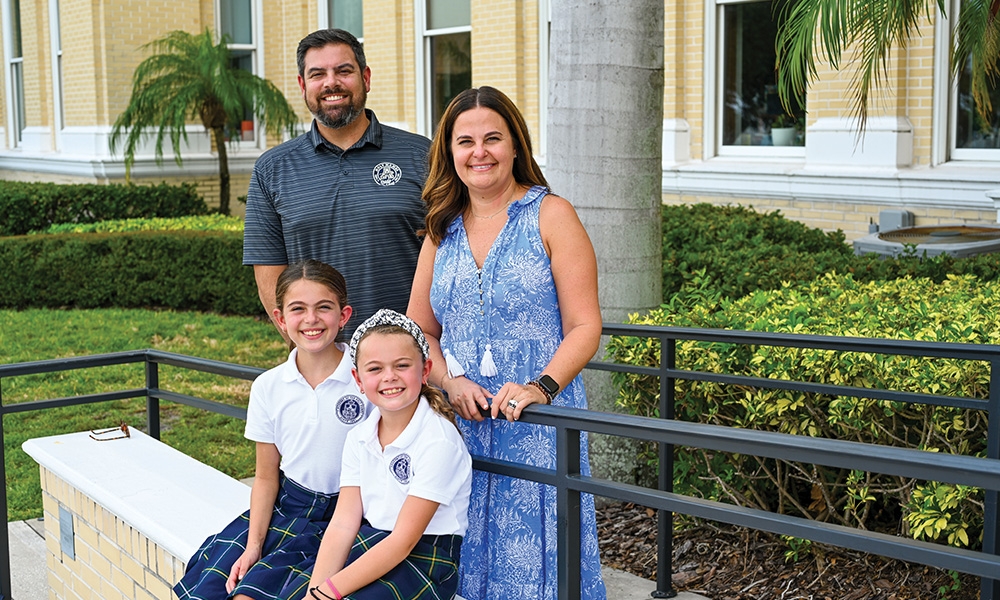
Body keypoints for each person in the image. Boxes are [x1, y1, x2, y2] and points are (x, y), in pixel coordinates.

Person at [406, 86, 607, 599]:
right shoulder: (440, 228)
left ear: (515, 145)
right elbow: (420, 328)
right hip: (462, 421)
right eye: (465, 141)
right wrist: (448, 381)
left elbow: (585, 326)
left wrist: (542, 386)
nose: (480, 152)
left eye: (493, 138)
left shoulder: (552, 214)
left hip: (537, 423)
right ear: (449, 153)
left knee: (539, 557)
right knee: (463, 548)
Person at [174, 259, 372, 600]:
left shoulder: (367, 378)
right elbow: (266, 477)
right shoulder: (268, 387)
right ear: (280, 318)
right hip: (289, 509)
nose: (311, 320)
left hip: (354, 516)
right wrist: (254, 545)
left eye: (323, 308)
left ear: (344, 315)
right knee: (212, 589)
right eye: (298, 309)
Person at [243, 28, 430, 340]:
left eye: (344, 71)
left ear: (365, 78)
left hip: (408, 360)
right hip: (322, 361)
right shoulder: (272, 169)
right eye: (318, 74)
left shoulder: (422, 155)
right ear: (303, 85)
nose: (331, 83)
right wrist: (307, 345)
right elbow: (270, 278)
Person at [307, 309, 472, 600]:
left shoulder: (438, 440)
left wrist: (328, 594)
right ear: (358, 379)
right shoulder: (359, 437)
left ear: (424, 371)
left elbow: (403, 542)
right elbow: (344, 523)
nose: (390, 377)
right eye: (375, 369)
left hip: (424, 559)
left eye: (402, 365)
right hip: (371, 543)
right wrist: (315, 591)